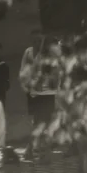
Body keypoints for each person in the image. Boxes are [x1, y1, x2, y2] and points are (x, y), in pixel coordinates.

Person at [19, 32, 60, 162]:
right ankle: (34, 150)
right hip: (42, 95)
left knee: (41, 123)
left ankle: (34, 150)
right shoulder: (42, 58)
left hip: (47, 95)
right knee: (40, 123)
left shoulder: (50, 58)